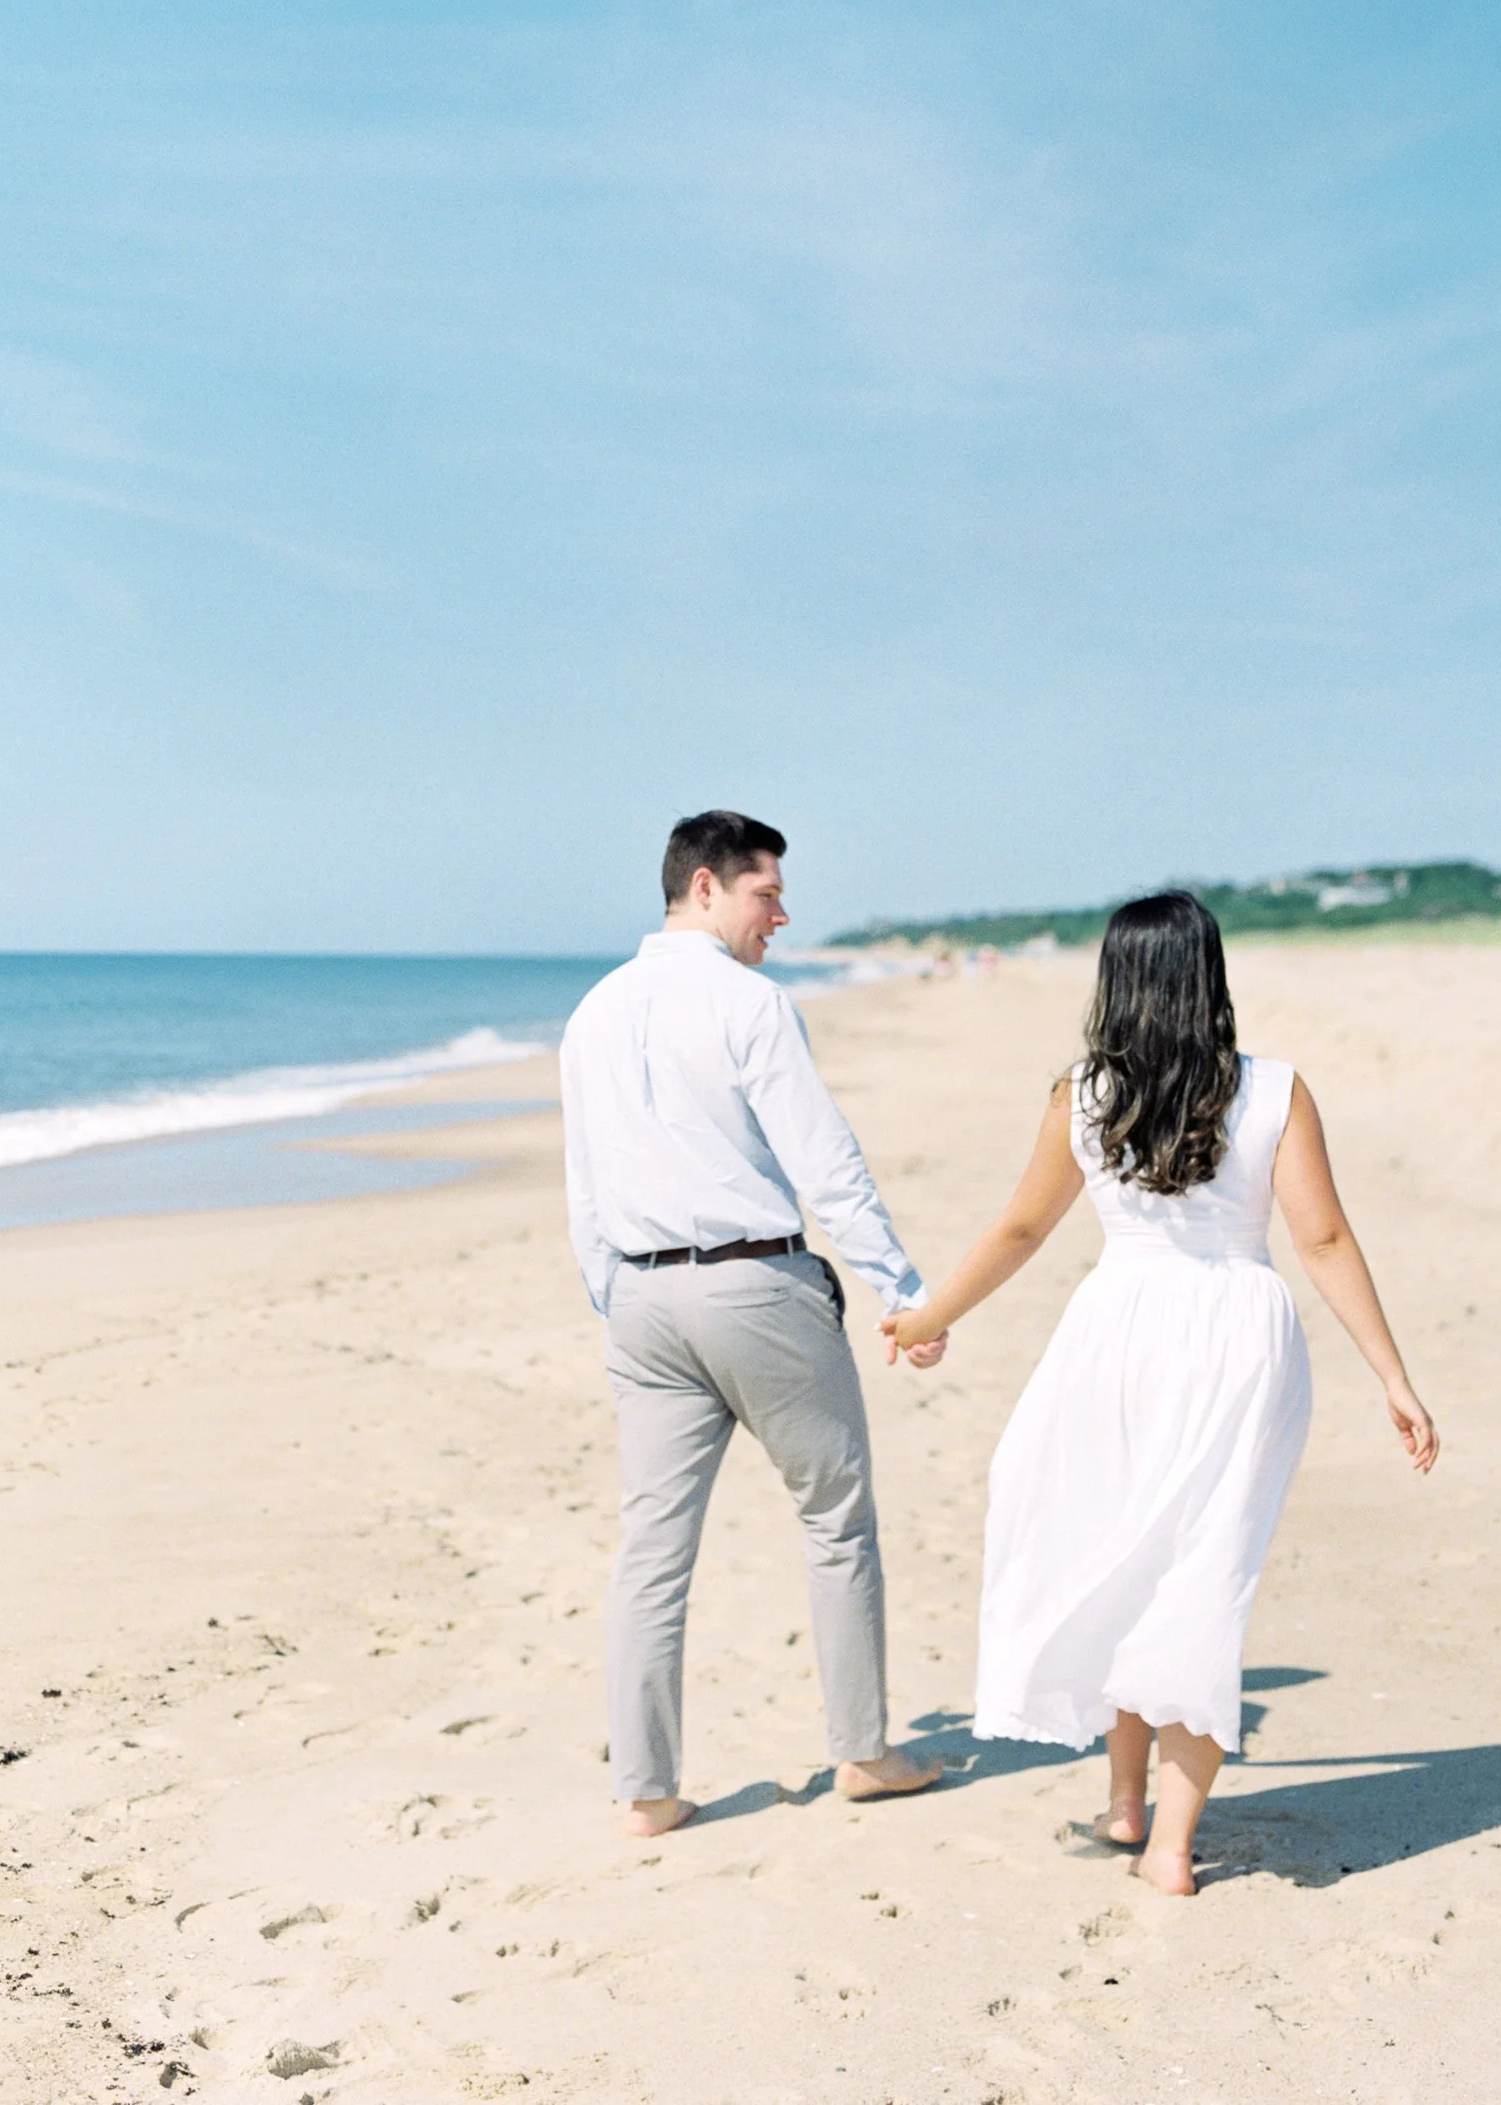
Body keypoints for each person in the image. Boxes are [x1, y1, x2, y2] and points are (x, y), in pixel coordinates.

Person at [881, 890, 1438, 1895]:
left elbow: (1019, 1229)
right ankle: (1157, 1831)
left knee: (1128, 1557)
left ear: (1116, 979)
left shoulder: (1083, 1094)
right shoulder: (1276, 1090)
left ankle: (1140, 1811)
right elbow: (1321, 1238)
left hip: (1119, 1333)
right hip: (1239, 1337)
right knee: (1196, 1577)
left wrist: (929, 1316)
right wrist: (1391, 1376)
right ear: (1208, 976)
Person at [561, 810, 947, 1837]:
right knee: (836, 1517)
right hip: (754, 1287)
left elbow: (584, 1188)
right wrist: (901, 1291)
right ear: (703, 887)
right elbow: (825, 1162)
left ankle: (647, 1792)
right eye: (765, 892)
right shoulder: (750, 1003)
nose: (782, 912)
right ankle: (861, 1751)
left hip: (641, 1300)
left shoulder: (591, 1011)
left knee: (651, 1548)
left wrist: (620, 1299)